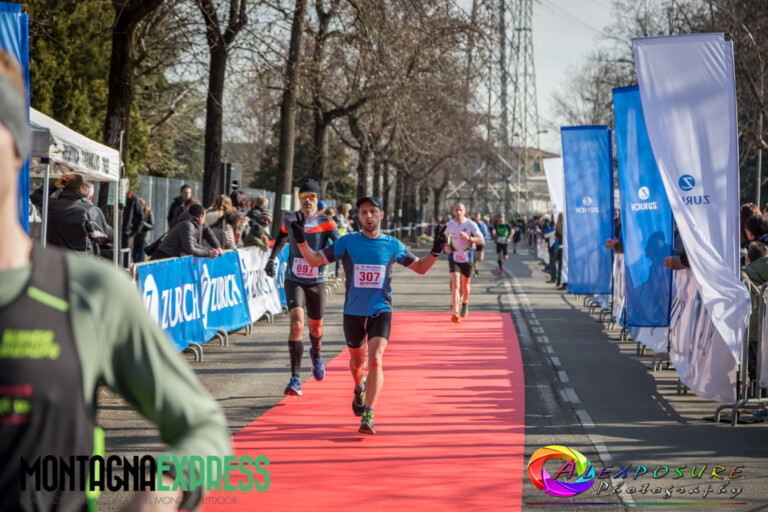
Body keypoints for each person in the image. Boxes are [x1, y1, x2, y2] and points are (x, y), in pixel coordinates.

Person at [0, 51, 229, 511]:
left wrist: (159, 496)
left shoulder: (90, 293)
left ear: (19, 147)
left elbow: (204, 430)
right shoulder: (88, 215)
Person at [292, 196, 447, 435]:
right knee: (357, 363)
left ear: (381, 215)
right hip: (353, 312)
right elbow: (314, 261)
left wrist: (435, 251)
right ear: (358, 217)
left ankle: (369, 414)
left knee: (375, 360)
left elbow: (420, 267)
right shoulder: (347, 242)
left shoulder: (392, 244)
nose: (369, 216)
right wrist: (301, 241)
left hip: (380, 310)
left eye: (373, 212)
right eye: (364, 212)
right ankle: (359, 389)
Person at [264, 179, 340, 396]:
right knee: (297, 323)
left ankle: (316, 354)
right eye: (304, 196)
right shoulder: (290, 218)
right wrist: (272, 258)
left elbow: (339, 245)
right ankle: (295, 379)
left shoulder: (327, 222)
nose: (308, 200)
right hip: (294, 279)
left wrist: (325, 258)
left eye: (312, 196)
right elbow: (281, 236)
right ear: (299, 198)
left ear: (317, 199)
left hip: (317, 281)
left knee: (316, 329)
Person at [29, 174, 108, 256]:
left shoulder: (50, 205)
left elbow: (35, 197)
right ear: (81, 189)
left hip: (55, 258)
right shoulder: (90, 209)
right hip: (80, 259)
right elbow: (102, 237)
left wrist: (54, 185)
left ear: (63, 187)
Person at [444, 203, 484, 323]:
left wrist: (469, 238)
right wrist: (446, 247)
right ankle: (456, 312)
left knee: (465, 285)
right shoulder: (449, 225)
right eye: (456, 210)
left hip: (467, 258)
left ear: (464, 212)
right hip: (454, 257)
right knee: (456, 284)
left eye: (461, 210)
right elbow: (442, 239)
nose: (459, 212)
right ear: (453, 212)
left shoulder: (471, 224)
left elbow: (481, 240)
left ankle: (465, 303)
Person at [150, 204, 222, 260]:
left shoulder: (191, 223)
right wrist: (209, 253)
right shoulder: (188, 225)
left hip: (169, 257)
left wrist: (210, 250)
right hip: (163, 257)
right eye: (204, 218)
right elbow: (190, 249)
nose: (204, 221)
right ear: (200, 217)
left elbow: (194, 244)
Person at [133, 197, 154, 263]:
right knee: (134, 258)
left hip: (143, 238)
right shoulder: (134, 212)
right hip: (135, 238)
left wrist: (142, 223)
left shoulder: (148, 212)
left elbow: (151, 226)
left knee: (140, 258)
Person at [472, 212, 490, 277]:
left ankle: (477, 258)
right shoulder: (471, 224)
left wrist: (483, 241)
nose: (476, 217)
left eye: (477, 216)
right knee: (474, 257)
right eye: (475, 216)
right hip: (473, 242)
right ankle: (476, 272)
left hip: (480, 243)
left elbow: (487, 234)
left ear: (480, 217)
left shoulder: (483, 225)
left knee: (480, 259)